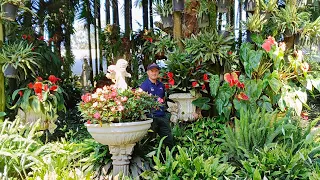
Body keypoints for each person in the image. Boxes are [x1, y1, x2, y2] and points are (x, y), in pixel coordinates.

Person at [140, 63, 174, 149]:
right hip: (151, 118)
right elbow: (140, 100)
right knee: (149, 141)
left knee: (168, 140)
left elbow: (162, 99)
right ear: (148, 72)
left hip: (162, 116)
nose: (154, 73)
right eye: (152, 71)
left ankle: (170, 159)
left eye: (156, 71)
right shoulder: (144, 86)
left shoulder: (161, 85)